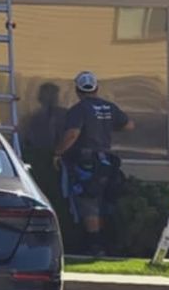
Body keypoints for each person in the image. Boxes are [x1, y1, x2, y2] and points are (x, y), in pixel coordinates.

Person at [54, 70, 134, 256]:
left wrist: (58, 152)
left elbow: (72, 134)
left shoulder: (78, 110)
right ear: (96, 88)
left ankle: (95, 246)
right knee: (103, 202)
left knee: (89, 203)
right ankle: (106, 242)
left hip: (86, 162)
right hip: (106, 162)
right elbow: (129, 125)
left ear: (78, 90)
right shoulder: (108, 107)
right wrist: (106, 125)